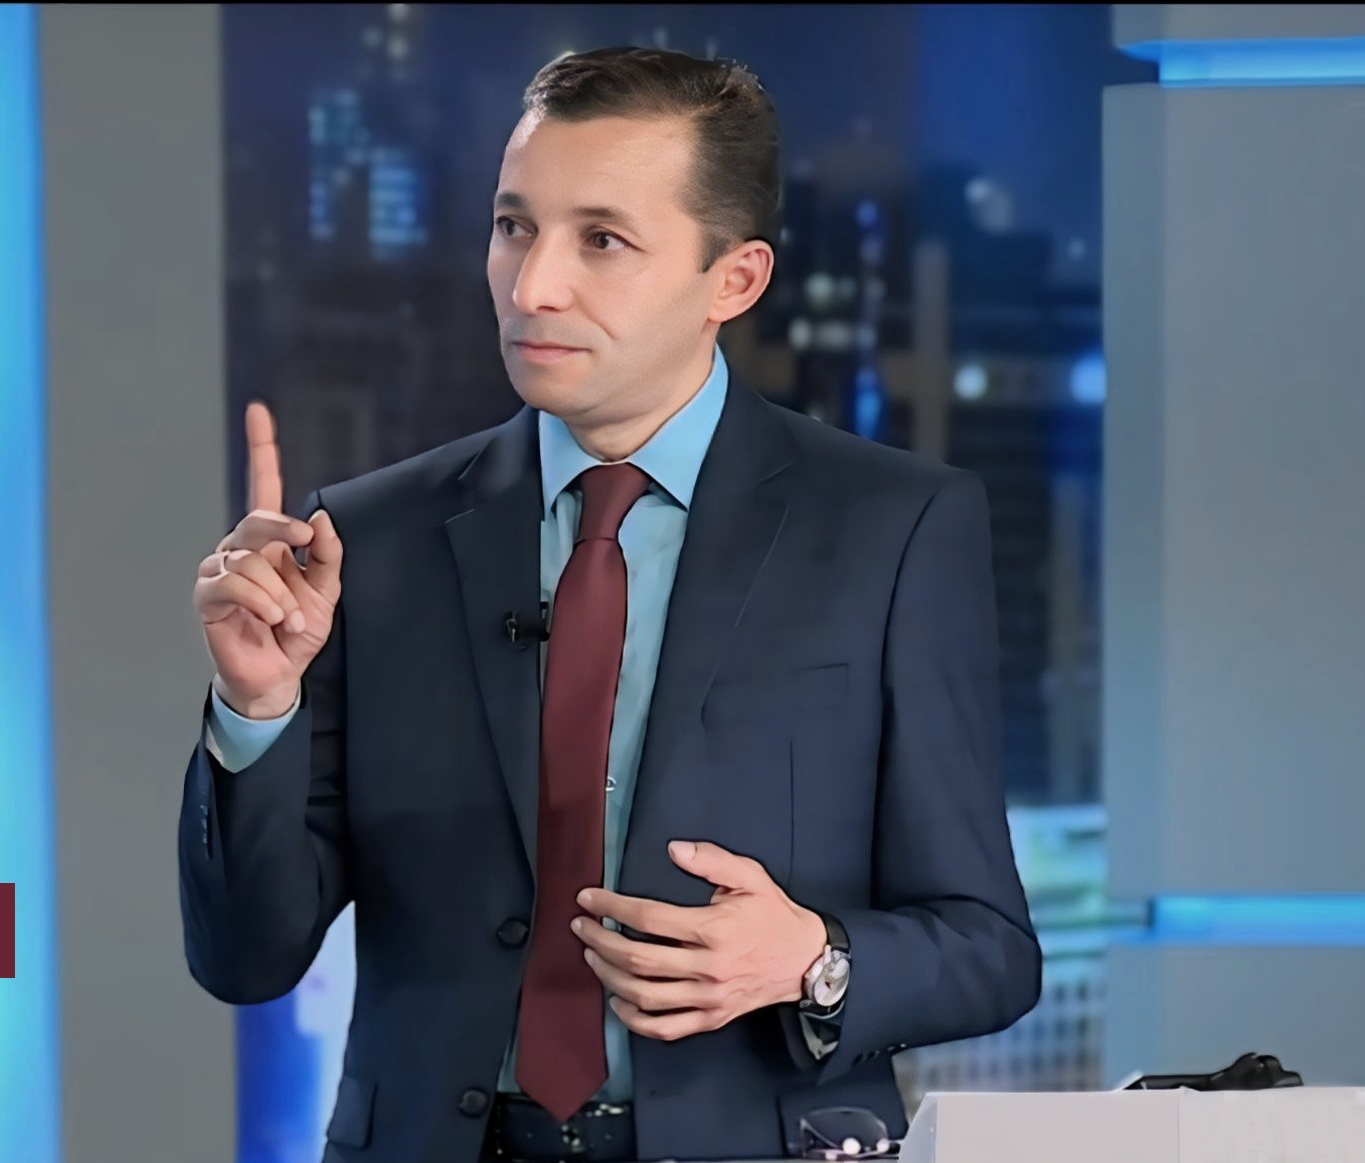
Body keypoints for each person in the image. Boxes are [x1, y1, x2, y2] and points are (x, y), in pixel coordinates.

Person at [180, 45, 1040, 1163]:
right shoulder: (370, 541)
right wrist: (255, 711)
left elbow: (987, 948)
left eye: (601, 240)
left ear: (733, 280)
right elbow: (245, 958)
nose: (533, 285)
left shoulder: (891, 529)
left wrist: (813, 958)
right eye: (513, 227)